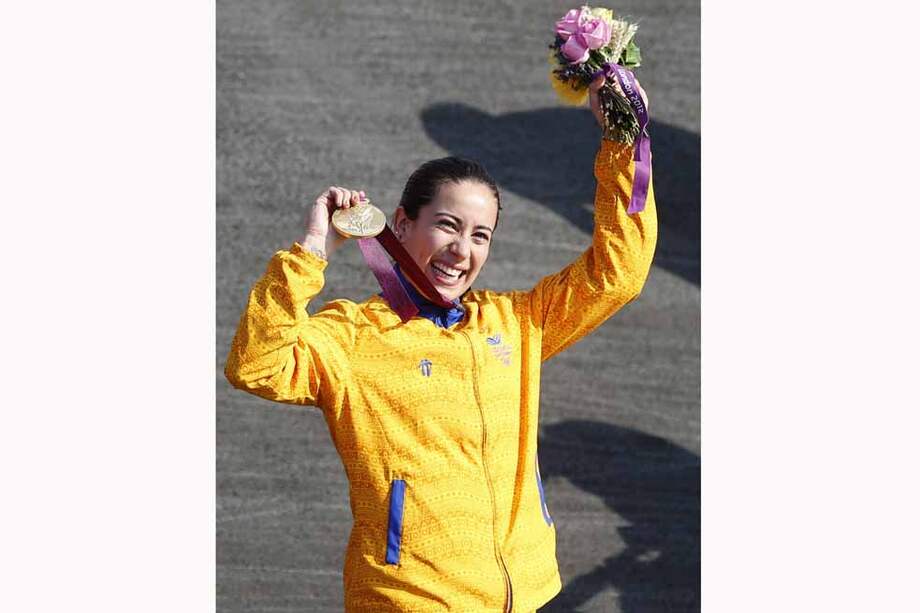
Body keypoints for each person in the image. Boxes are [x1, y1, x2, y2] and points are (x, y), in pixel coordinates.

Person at [224, 74, 657, 612]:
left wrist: (622, 141)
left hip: (525, 594)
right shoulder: (354, 337)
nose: (462, 250)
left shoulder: (515, 322)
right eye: (448, 226)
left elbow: (618, 274)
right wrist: (311, 251)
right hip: (411, 600)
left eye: (481, 235)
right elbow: (256, 363)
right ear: (401, 225)